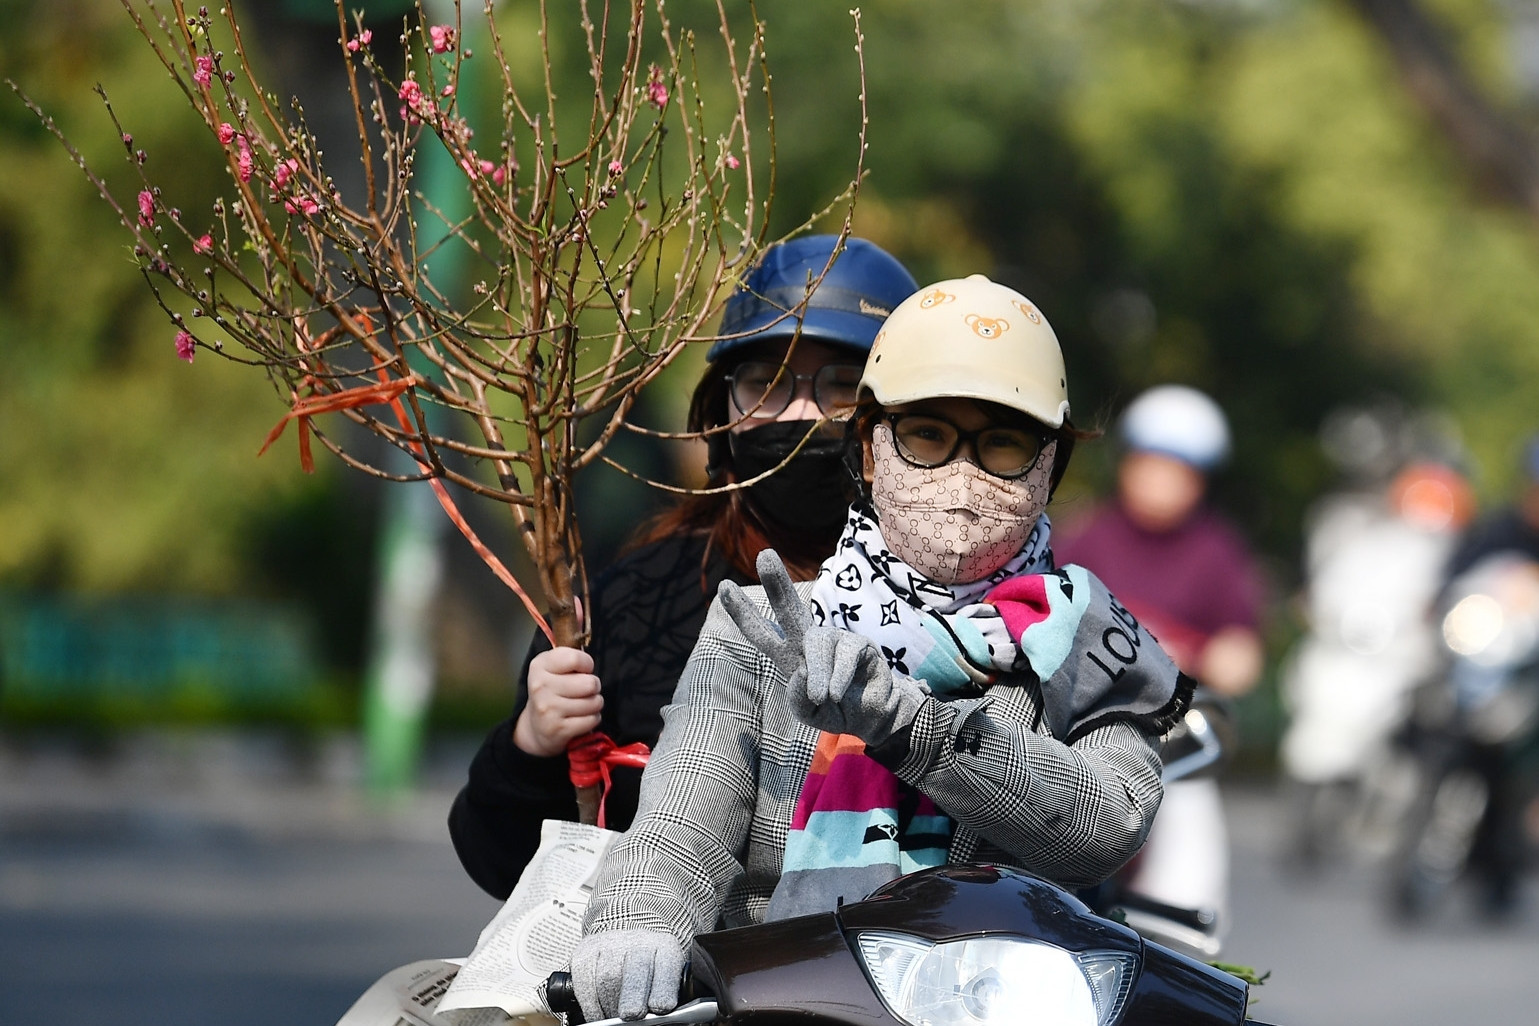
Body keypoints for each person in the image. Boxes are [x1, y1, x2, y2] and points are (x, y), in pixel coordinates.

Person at [570, 275, 1193, 1022]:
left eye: (1002, 444)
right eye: (928, 436)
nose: (962, 475)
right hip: (783, 1003)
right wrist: (636, 923)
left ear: (1048, 468)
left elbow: (1106, 827)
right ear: (869, 452)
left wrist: (908, 726)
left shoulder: (1086, 639)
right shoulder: (759, 626)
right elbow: (680, 825)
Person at [447, 236, 919, 899]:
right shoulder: (635, 604)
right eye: (766, 384)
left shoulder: (973, 610)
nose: (802, 414)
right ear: (718, 411)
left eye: (843, 389)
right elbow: (503, 865)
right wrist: (531, 746)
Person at [1054, 384, 1265, 943]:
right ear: (1129, 463)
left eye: (1182, 471)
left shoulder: (1214, 551)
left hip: (1176, 745)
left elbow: (1245, 660)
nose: (1164, 482)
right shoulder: (1089, 537)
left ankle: (1181, 962)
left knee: (1189, 886)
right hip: (1081, 735)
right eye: (1154, 464)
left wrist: (1198, 651)